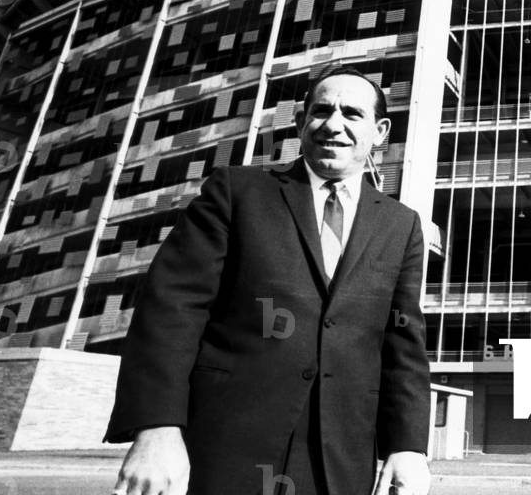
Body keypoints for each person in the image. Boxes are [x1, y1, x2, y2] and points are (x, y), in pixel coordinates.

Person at [105, 66, 432, 495]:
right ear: (301, 122)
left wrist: (407, 448)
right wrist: (157, 428)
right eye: (321, 111)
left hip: (336, 465)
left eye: (352, 114)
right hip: (222, 451)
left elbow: (403, 345)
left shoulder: (401, 226)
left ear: (379, 131)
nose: (333, 124)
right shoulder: (237, 192)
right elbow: (172, 307)